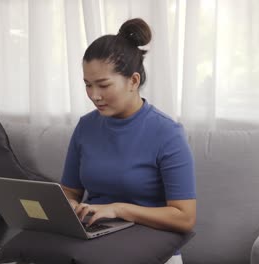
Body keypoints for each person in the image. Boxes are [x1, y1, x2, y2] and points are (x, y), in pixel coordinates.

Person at [61, 18, 196, 264]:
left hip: (152, 247)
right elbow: (70, 191)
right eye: (88, 85)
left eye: (103, 85)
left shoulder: (168, 134)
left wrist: (118, 209)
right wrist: (68, 205)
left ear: (133, 81)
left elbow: (185, 217)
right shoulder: (85, 127)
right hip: (95, 243)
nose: (94, 95)